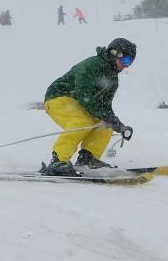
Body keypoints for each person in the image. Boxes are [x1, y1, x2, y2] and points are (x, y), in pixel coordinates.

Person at [43, 38, 137, 176]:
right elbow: (84, 96)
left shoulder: (113, 80)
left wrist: (117, 124)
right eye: (126, 61)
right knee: (82, 121)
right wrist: (106, 115)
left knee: (106, 124)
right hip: (58, 97)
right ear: (115, 53)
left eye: (130, 63)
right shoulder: (91, 65)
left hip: (80, 104)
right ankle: (58, 160)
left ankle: (88, 159)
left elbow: (105, 107)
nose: (125, 66)